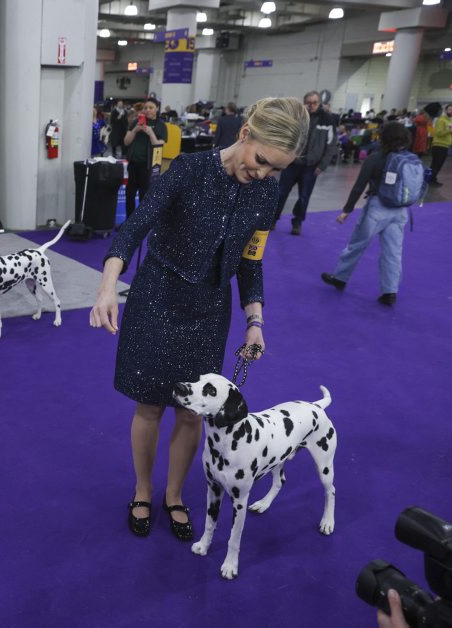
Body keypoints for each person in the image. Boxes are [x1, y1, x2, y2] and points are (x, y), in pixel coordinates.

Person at [89, 97, 308, 541]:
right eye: (262, 160)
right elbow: (134, 228)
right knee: (149, 405)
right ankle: (143, 490)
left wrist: (255, 321)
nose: (264, 174)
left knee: (192, 414)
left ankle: (174, 494)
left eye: (276, 169)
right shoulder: (188, 170)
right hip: (157, 298)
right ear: (244, 134)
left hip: (210, 311)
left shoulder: (266, 193)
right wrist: (108, 286)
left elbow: (250, 261)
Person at [320, 122, 420, 306]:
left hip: (377, 209)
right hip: (400, 211)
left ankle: (340, 277)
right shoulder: (409, 158)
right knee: (393, 252)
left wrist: (347, 210)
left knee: (357, 245)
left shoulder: (375, 158)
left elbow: (359, 186)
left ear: (383, 137)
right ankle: (390, 292)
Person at [272, 90, 339, 235]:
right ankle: (272, 219)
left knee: (304, 197)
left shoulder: (327, 119)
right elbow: (286, 137)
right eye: (309, 103)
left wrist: (322, 165)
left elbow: (331, 145)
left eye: (314, 103)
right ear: (304, 103)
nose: (311, 105)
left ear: (319, 103)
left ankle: (297, 223)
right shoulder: (297, 116)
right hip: (291, 163)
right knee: (280, 193)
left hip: (311, 167)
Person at [123, 97, 167, 220]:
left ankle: (142, 222)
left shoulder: (161, 125)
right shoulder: (136, 122)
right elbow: (126, 142)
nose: (147, 110)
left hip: (148, 166)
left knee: (145, 195)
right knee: (129, 194)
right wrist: (135, 130)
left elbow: (159, 146)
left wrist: (151, 133)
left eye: (151, 107)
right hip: (133, 164)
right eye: (146, 108)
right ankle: (129, 221)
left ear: (157, 108)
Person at [428, 103, 451, 185]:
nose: (451, 111)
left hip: (445, 145)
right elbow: (438, 133)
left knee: (439, 165)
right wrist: (449, 131)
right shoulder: (441, 120)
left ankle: (432, 179)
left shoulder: (449, 121)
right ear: (446, 110)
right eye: (450, 110)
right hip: (439, 145)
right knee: (436, 165)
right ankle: (430, 180)